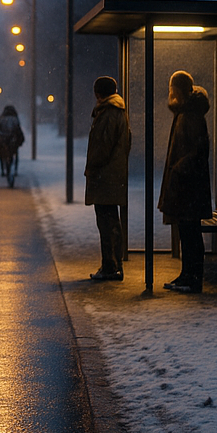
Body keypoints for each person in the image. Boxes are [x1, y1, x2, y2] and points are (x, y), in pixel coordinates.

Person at [158, 70, 212, 293]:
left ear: (179, 89)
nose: (170, 92)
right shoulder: (185, 113)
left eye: (172, 88)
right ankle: (187, 274)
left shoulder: (190, 115)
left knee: (191, 232)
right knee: (187, 231)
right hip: (186, 184)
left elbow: (198, 150)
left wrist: (179, 168)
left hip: (189, 185)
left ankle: (193, 277)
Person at [84, 76, 131, 281]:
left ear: (98, 93)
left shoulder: (108, 113)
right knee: (111, 220)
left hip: (105, 175)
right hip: (113, 173)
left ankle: (110, 265)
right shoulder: (118, 112)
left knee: (106, 222)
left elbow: (101, 148)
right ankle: (113, 263)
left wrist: (92, 168)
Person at [0, 104, 24, 177]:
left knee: (2, 155)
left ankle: (3, 170)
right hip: (13, 141)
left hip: (2, 141)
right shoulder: (15, 119)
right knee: (14, 154)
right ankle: (15, 170)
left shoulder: (0, 119)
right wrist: (20, 141)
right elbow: (18, 131)